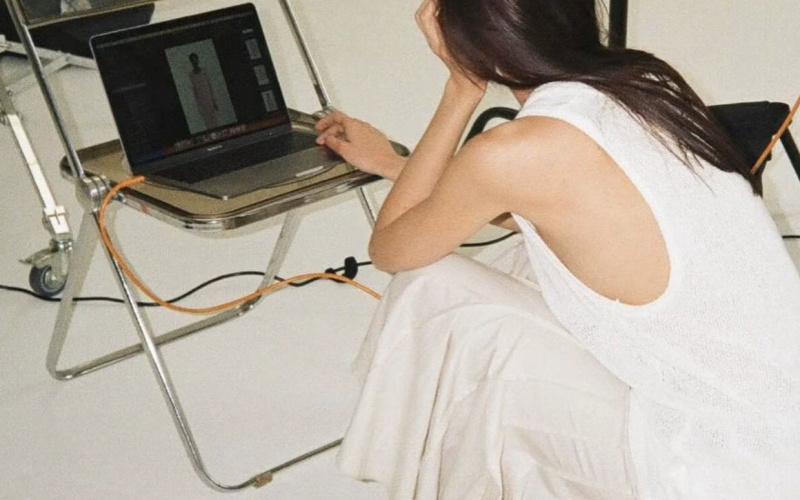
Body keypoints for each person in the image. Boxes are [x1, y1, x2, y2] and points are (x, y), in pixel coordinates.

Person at [315, 0, 800, 499]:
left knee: (436, 285)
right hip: (775, 416)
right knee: (522, 258)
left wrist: (460, 90)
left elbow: (392, 249)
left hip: (720, 463)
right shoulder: (642, 84)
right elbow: (544, 207)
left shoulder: (514, 152)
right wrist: (395, 163)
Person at [188, 52, 219, 130]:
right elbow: (194, 92)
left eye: (196, 59)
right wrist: (199, 107)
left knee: (215, 121)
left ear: (198, 60)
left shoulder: (204, 71)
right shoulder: (191, 75)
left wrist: (214, 101)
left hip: (210, 100)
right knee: (208, 123)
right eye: (193, 60)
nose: (195, 62)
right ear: (191, 62)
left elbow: (210, 86)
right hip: (202, 103)